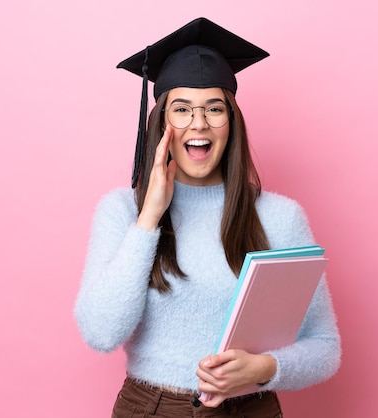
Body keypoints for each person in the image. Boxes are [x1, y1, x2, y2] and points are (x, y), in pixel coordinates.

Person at [74, 17, 341, 417]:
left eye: (214, 108)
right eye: (181, 109)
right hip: (151, 409)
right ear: (161, 122)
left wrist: (267, 368)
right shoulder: (122, 211)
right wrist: (149, 218)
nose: (198, 123)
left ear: (231, 122)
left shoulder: (279, 218)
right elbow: (100, 333)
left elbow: (325, 346)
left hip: (250, 409)